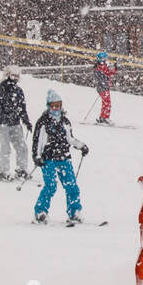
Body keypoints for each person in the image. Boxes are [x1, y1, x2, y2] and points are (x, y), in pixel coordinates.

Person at [32, 89, 89, 224]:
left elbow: (70, 138)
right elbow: (37, 141)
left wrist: (81, 146)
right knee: (50, 186)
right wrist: (37, 156)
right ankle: (41, 211)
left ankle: (74, 211)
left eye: (58, 105)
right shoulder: (43, 122)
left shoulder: (65, 122)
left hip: (64, 157)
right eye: (53, 106)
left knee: (72, 186)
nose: (56, 108)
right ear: (49, 106)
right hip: (48, 158)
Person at [0, 65, 32, 181]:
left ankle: (21, 170)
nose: (15, 78)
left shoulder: (18, 91)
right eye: (13, 75)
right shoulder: (1, 89)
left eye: (17, 76)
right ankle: (3, 171)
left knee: (22, 147)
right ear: (7, 75)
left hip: (16, 123)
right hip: (3, 124)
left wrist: (26, 121)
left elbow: (22, 108)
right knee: (5, 148)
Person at [92, 50, 118, 124]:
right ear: (101, 59)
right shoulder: (99, 67)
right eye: (105, 58)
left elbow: (109, 72)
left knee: (105, 102)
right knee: (107, 103)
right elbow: (101, 76)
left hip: (104, 87)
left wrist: (115, 68)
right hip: (102, 87)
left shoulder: (103, 66)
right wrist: (104, 81)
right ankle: (105, 117)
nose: (106, 60)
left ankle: (103, 117)